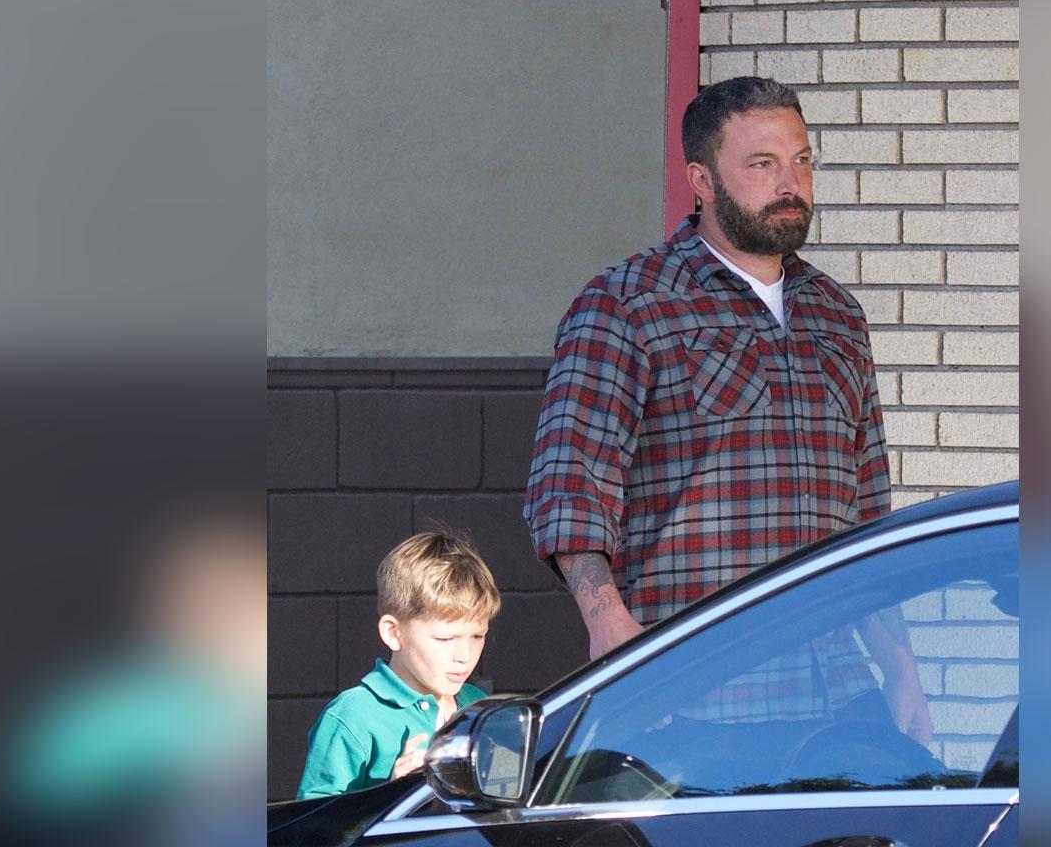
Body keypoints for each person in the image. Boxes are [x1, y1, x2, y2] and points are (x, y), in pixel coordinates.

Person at [523, 76, 929, 742]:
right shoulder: (627, 304)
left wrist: (902, 667)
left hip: (838, 693)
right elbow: (570, 486)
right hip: (694, 699)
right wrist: (609, 627)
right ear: (701, 180)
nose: (789, 183)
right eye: (761, 164)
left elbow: (868, 512)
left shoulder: (838, 315)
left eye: (800, 160)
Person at [296, 531, 500, 799]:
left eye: (477, 636)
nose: (464, 655)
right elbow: (313, 825)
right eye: (445, 638)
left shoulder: (478, 704)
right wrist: (393, 794)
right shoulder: (353, 716)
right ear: (393, 632)